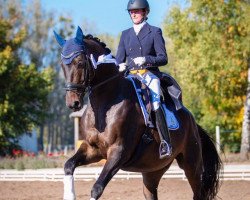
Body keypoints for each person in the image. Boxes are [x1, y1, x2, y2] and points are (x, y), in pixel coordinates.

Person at [116, 0, 172, 158]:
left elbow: (163, 58)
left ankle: (165, 143)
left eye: (137, 11)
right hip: (131, 76)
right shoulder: (125, 34)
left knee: (154, 102)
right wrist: (119, 65)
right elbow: (120, 59)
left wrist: (146, 59)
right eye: (131, 12)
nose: (133, 14)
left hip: (149, 75)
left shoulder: (154, 32)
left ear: (145, 12)